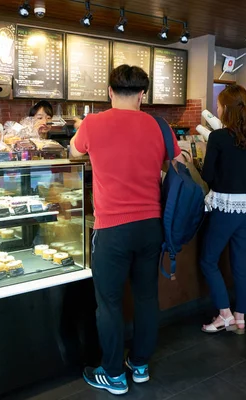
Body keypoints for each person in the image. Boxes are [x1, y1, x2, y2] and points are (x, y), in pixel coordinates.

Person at [70, 65, 183, 395]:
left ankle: (112, 374)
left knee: (109, 303)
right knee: (147, 297)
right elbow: (176, 162)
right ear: (142, 95)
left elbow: (74, 153)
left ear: (109, 91)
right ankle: (141, 364)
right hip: (151, 226)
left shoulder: (92, 124)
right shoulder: (159, 127)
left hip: (113, 229)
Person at [199, 84, 246, 334]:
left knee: (207, 260)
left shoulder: (218, 138)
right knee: (240, 263)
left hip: (225, 208)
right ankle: (241, 317)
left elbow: (207, 175)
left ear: (226, 108)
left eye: (219, 104)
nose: (216, 107)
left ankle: (224, 314)